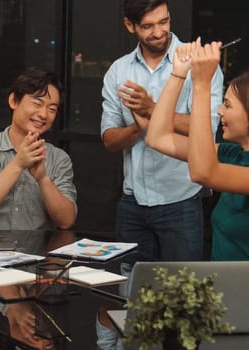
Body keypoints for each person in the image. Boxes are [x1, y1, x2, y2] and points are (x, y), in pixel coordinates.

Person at [145, 39, 249, 300]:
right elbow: (157, 136)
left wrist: (202, 84)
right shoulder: (233, 155)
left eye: (228, 105)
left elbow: (203, 173)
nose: (220, 111)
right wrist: (178, 74)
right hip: (219, 300)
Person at [100, 0, 224, 275]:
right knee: (127, 297)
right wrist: (140, 126)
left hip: (181, 201)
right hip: (131, 204)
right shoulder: (118, 72)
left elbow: (207, 129)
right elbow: (109, 139)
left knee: (182, 298)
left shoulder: (198, 63)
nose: (158, 32)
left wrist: (152, 110)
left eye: (164, 22)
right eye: (147, 26)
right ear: (129, 25)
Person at [0, 67, 77, 231]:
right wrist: (18, 164)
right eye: (37, 103)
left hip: (35, 254)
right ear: (13, 101)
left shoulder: (58, 158)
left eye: (52, 109)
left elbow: (66, 221)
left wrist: (43, 179)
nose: (43, 114)